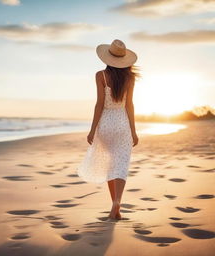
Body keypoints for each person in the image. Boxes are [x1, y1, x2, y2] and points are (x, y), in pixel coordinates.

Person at [77, 39, 140, 220]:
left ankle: (115, 206)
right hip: (122, 124)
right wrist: (134, 131)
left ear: (107, 58)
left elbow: (99, 104)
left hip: (106, 123)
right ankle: (117, 204)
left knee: (110, 167)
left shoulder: (101, 76)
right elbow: (130, 105)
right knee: (120, 166)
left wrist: (92, 129)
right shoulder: (130, 78)